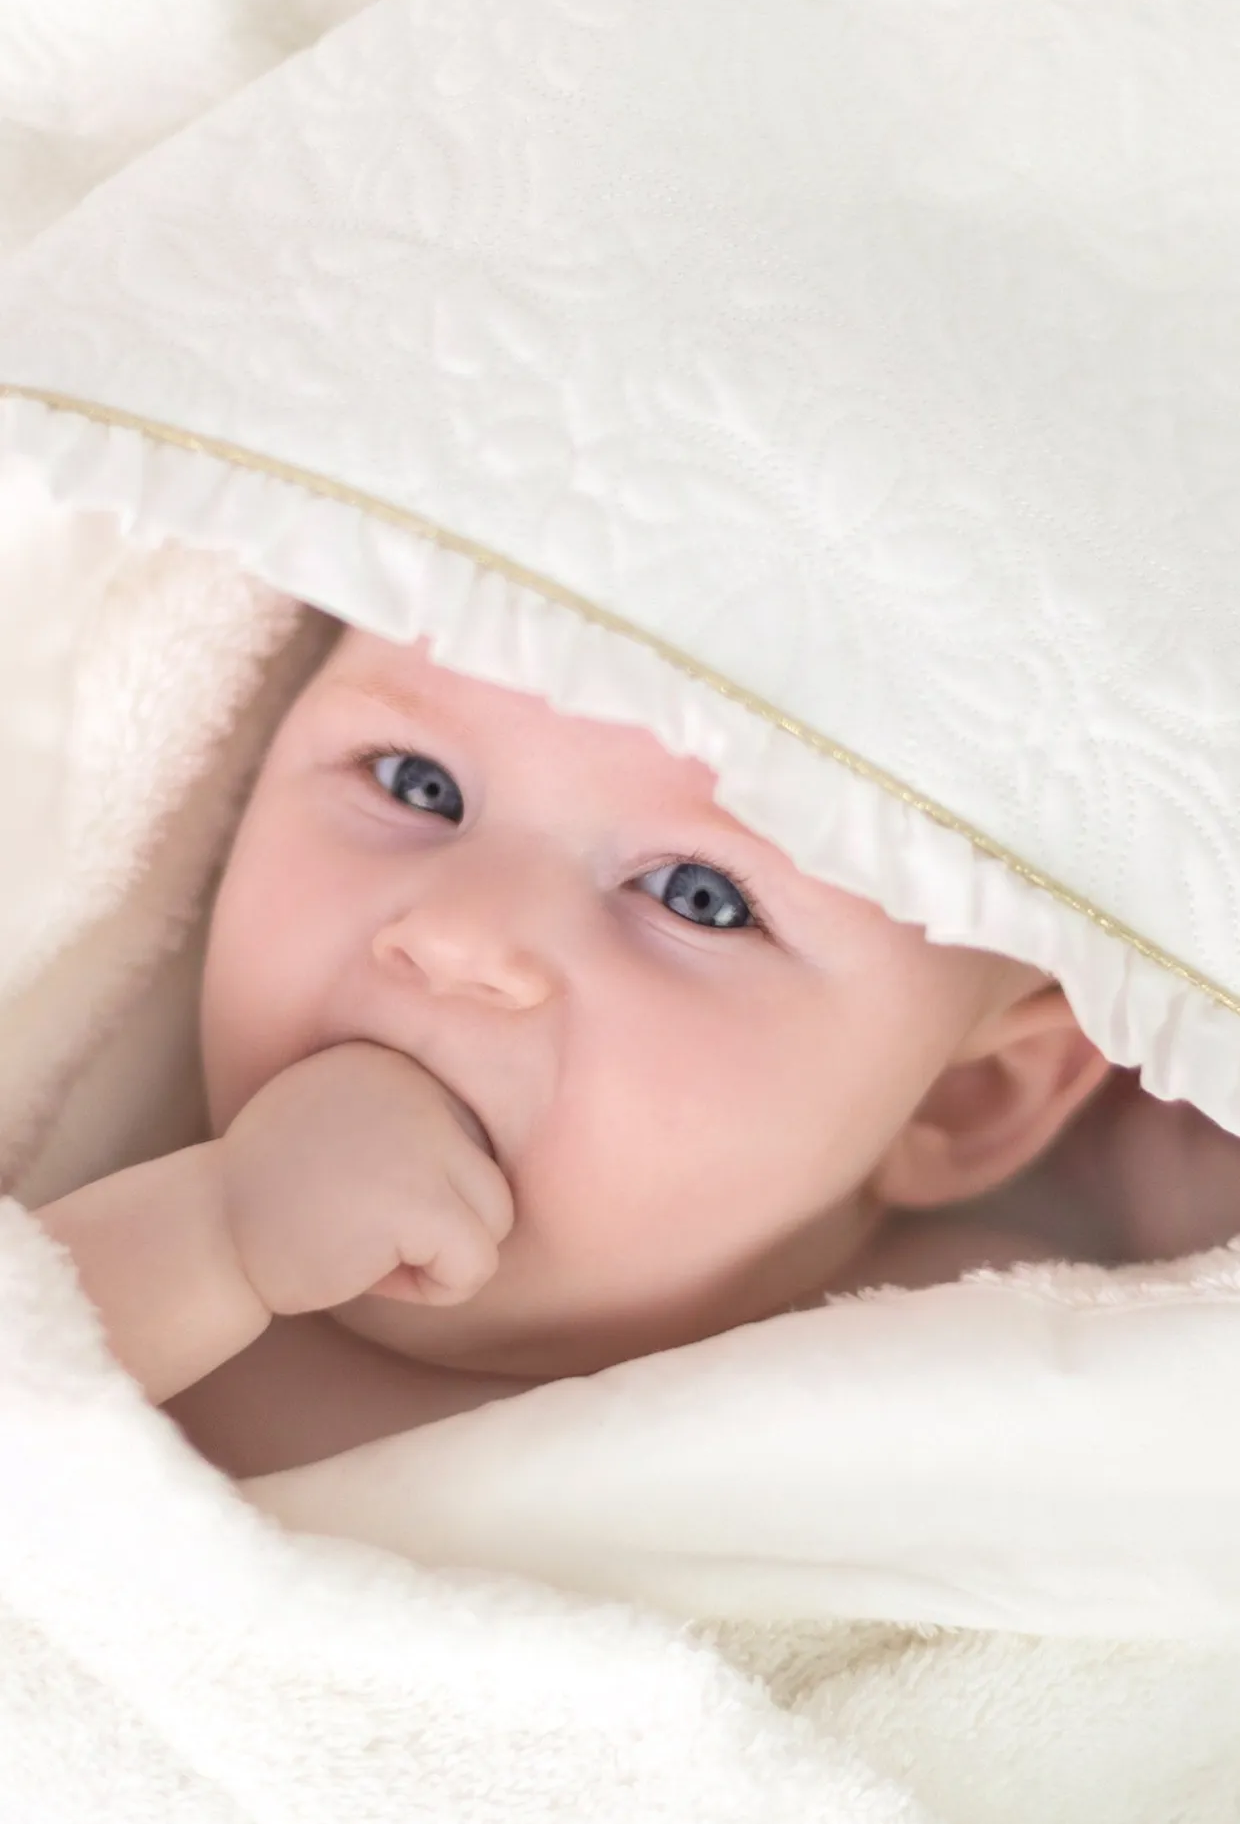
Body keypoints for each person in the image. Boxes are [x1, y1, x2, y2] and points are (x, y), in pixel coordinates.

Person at [36, 622, 1121, 1477]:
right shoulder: (110, 1237)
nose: (460, 935)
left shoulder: (1005, 1376)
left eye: (694, 896)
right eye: (415, 781)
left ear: (964, 1097)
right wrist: (215, 1233)